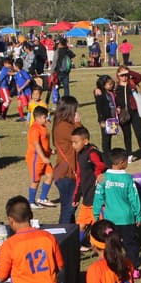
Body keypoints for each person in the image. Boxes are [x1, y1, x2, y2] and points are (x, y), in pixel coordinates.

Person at [91, 150, 141, 270]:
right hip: (127, 218)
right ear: (122, 162)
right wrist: (138, 215)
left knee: (111, 245)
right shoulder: (127, 179)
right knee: (130, 244)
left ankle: (113, 267)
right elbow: (134, 198)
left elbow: (98, 197)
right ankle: (133, 268)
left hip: (110, 220)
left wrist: (96, 215)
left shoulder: (103, 178)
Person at [51, 96, 81, 225]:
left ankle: (70, 237)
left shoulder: (61, 124)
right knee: (68, 209)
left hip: (64, 172)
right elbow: (81, 138)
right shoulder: (64, 126)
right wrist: (78, 122)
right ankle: (64, 237)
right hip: (66, 173)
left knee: (69, 209)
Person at [72, 126, 106, 240]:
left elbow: (101, 165)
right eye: (72, 142)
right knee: (81, 225)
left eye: (76, 142)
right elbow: (79, 176)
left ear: (85, 141)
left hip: (96, 198)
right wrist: (76, 196)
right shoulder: (80, 154)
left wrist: (98, 175)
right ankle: (76, 250)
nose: (73, 145)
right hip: (86, 199)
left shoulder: (92, 153)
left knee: (100, 226)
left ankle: (105, 248)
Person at [112, 67, 141, 162]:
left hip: (135, 111)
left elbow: (140, 76)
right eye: (122, 75)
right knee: (127, 134)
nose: (124, 77)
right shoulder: (115, 87)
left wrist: (129, 71)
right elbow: (110, 95)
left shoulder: (132, 82)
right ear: (118, 76)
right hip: (123, 113)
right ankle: (129, 154)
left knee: (139, 133)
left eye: (125, 75)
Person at [26, 105, 55, 208]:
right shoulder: (34, 129)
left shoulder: (43, 128)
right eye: (44, 117)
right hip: (35, 158)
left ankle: (43, 198)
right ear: (37, 118)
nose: (46, 119)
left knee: (50, 175)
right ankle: (31, 201)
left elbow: (44, 143)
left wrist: (50, 150)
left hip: (45, 157)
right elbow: (36, 144)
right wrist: (43, 157)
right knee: (35, 180)